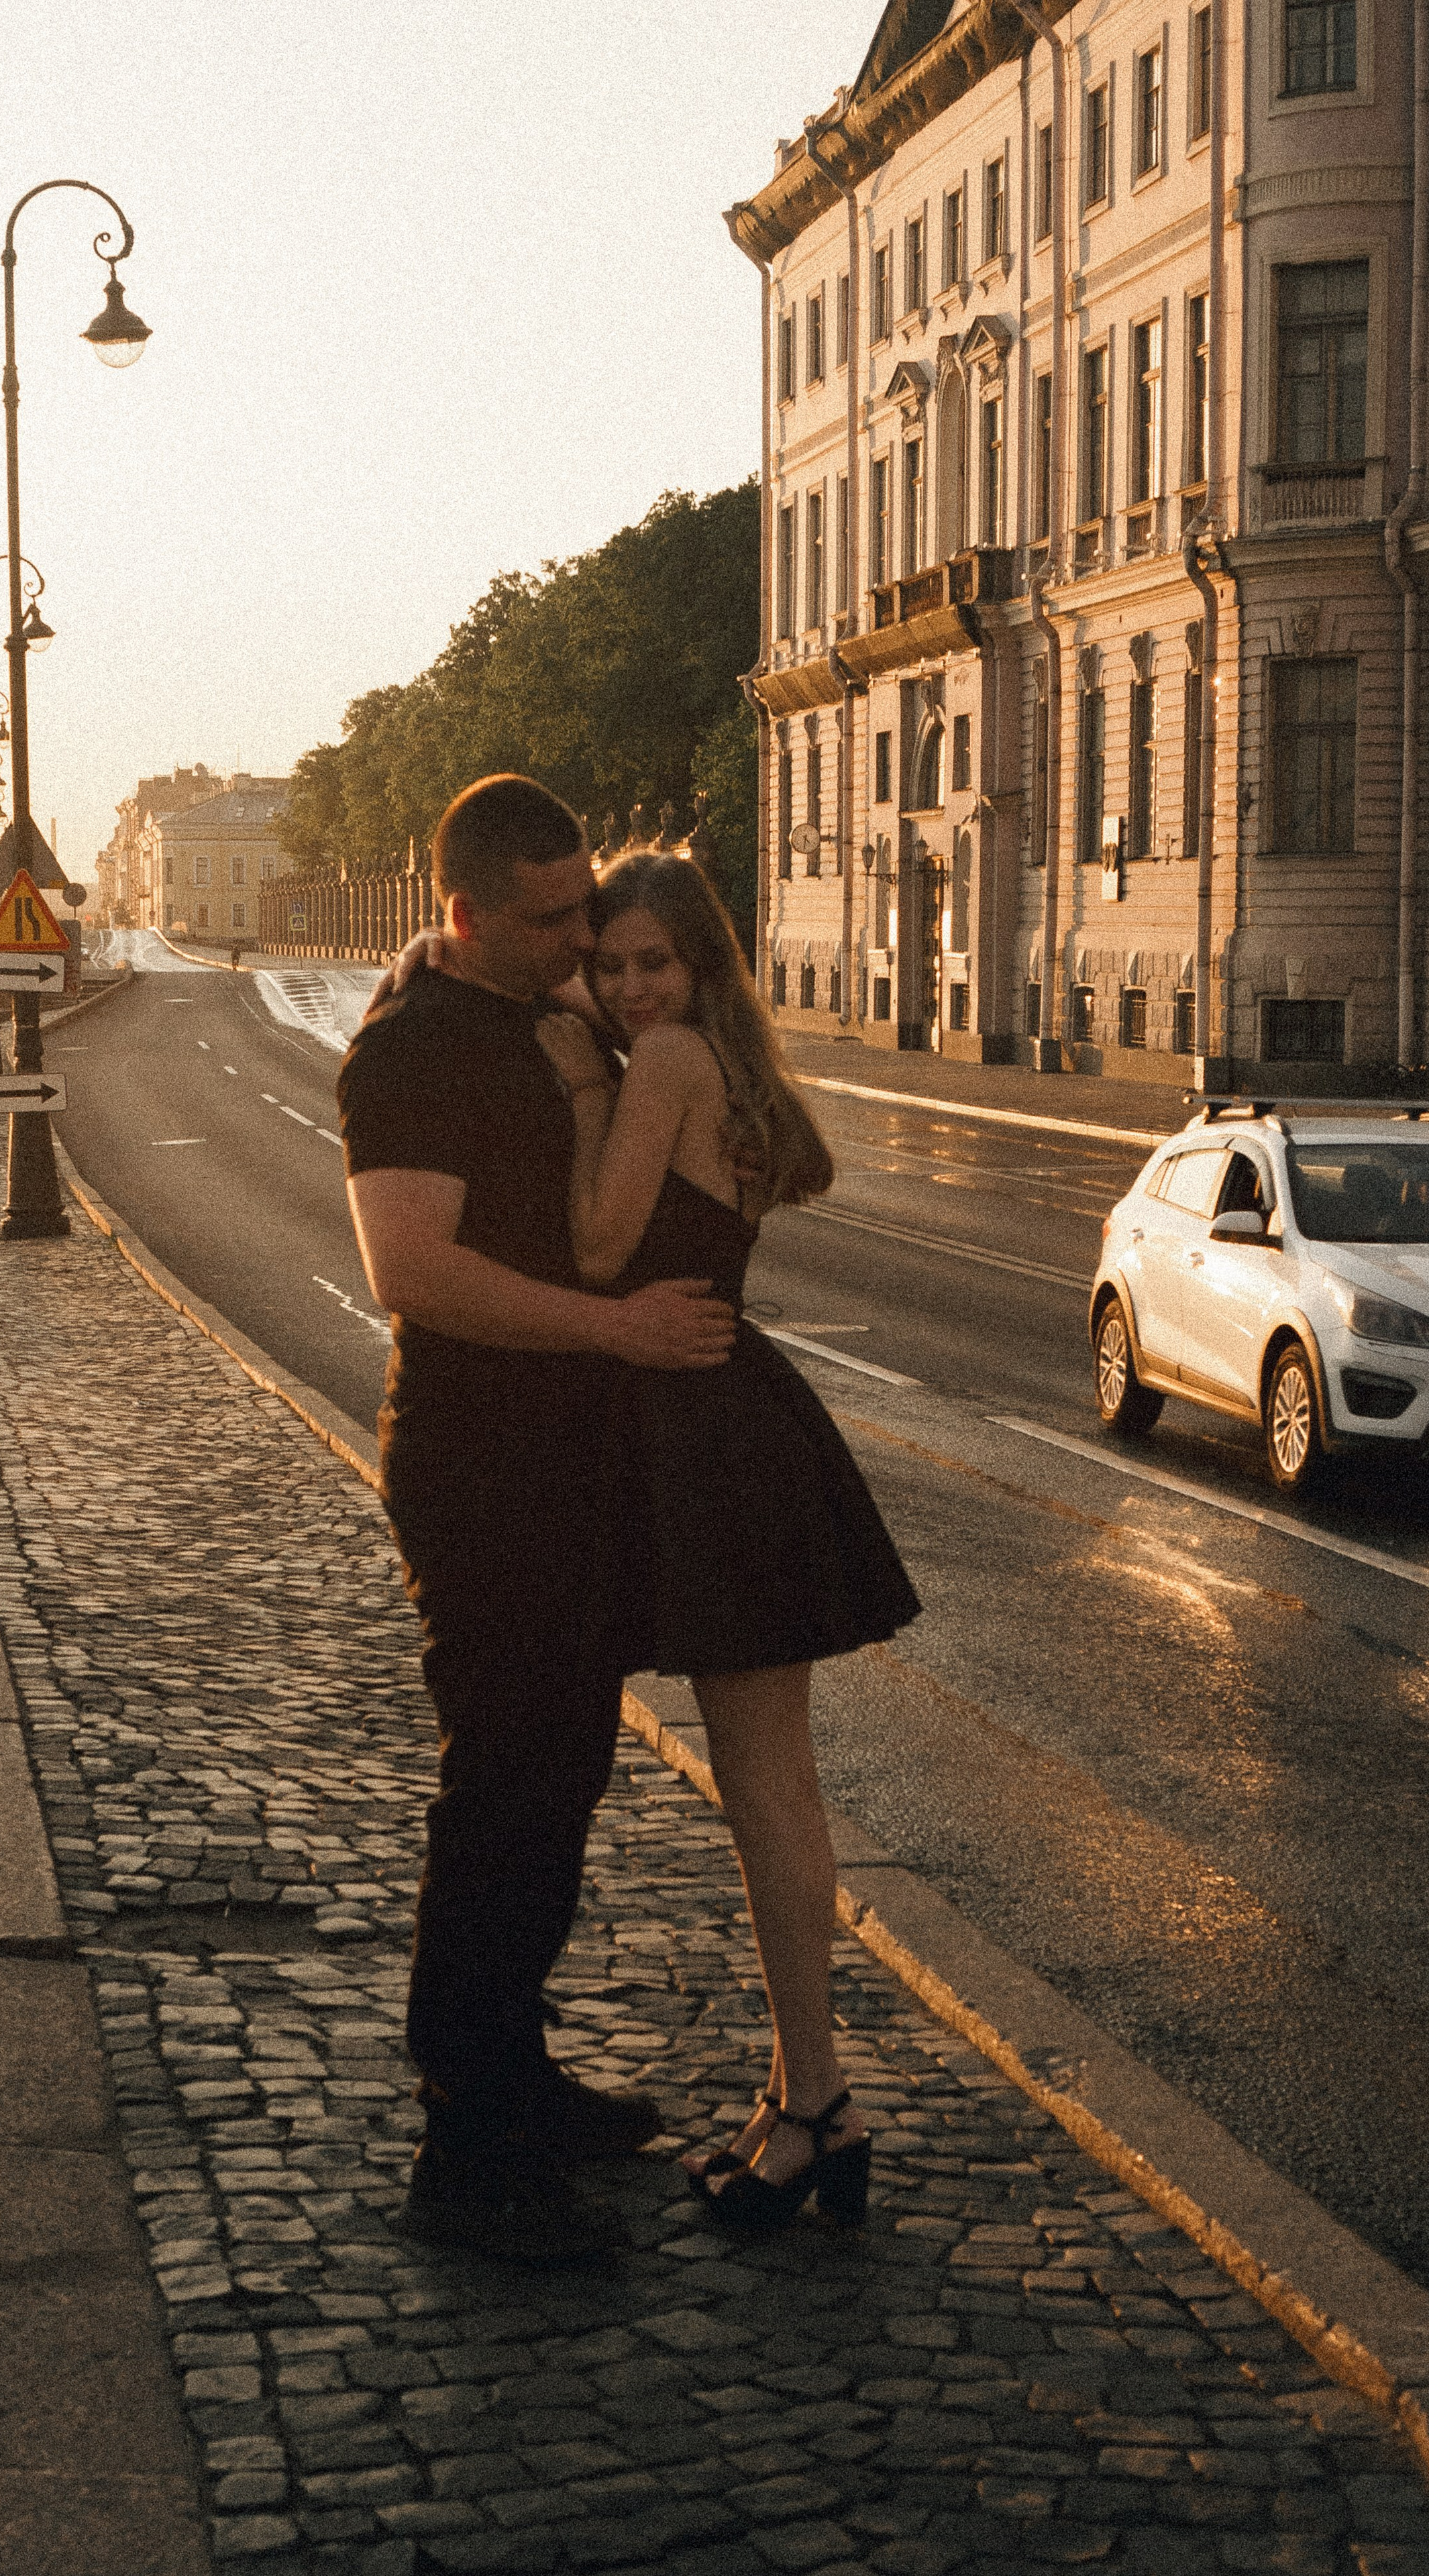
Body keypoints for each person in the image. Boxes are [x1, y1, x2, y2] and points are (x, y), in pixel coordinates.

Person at [335, 776, 735, 2264]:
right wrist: (610, 1329)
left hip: (567, 1459)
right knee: (501, 1782)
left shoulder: (524, 1002)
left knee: (558, 1776)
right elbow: (409, 1272)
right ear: (462, 916)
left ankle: (517, 2071)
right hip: (476, 1462)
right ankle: (469, 2139)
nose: (579, 941)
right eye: (548, 919)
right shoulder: (413, 1047)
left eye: (585, 911)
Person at [531, 851, 920, 2232]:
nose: (630, 986)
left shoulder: (666, 1067)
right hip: (731, 1417)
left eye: (652, 962)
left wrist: (582, 1076)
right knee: (776, 1792)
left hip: (701, 1438)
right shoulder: (726, 1064)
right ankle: (795, 2095)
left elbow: (590, 1247)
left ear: (697, 965)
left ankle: (817, 2103)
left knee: (766, 1797)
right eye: (611, 963)